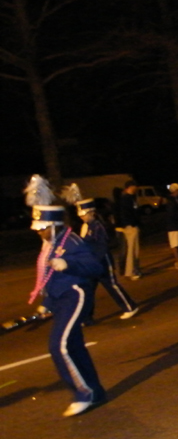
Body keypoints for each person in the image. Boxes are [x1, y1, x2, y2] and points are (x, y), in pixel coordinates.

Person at [25, 176, 106, 417]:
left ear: (53, 225)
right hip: (60, 298)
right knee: (74, 347)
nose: (39, 233)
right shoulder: (49, 244)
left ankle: (83, 393)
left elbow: (95, 267)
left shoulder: (71, 241)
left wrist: (68, 264)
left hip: (75, 295)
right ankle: (95, 392)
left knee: (59, 346)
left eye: (42, 228)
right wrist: (46, 304)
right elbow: (50, 277)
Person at [75, 196, 139, 322]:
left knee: (112, 285)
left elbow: (102, 246)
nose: (82, 217)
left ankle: (130, 307)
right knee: (88, 289)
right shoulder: (86, 226)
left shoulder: (98, 226)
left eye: (84, 214)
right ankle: (87, 318)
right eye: (81, 215)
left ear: (92, 213)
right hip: (91, 263)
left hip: (102, 261)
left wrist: (94, 261)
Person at [117, 179, 142, 279]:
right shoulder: (126, 198)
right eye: (135, 186)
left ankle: (134, 270)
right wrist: (131, 224)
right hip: (130, 226)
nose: (136, 188)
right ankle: (130, 272)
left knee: (135, 250)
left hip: (133, 225)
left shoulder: (130, 198)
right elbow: (126, 213)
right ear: (131, 187)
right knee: (131, 250)